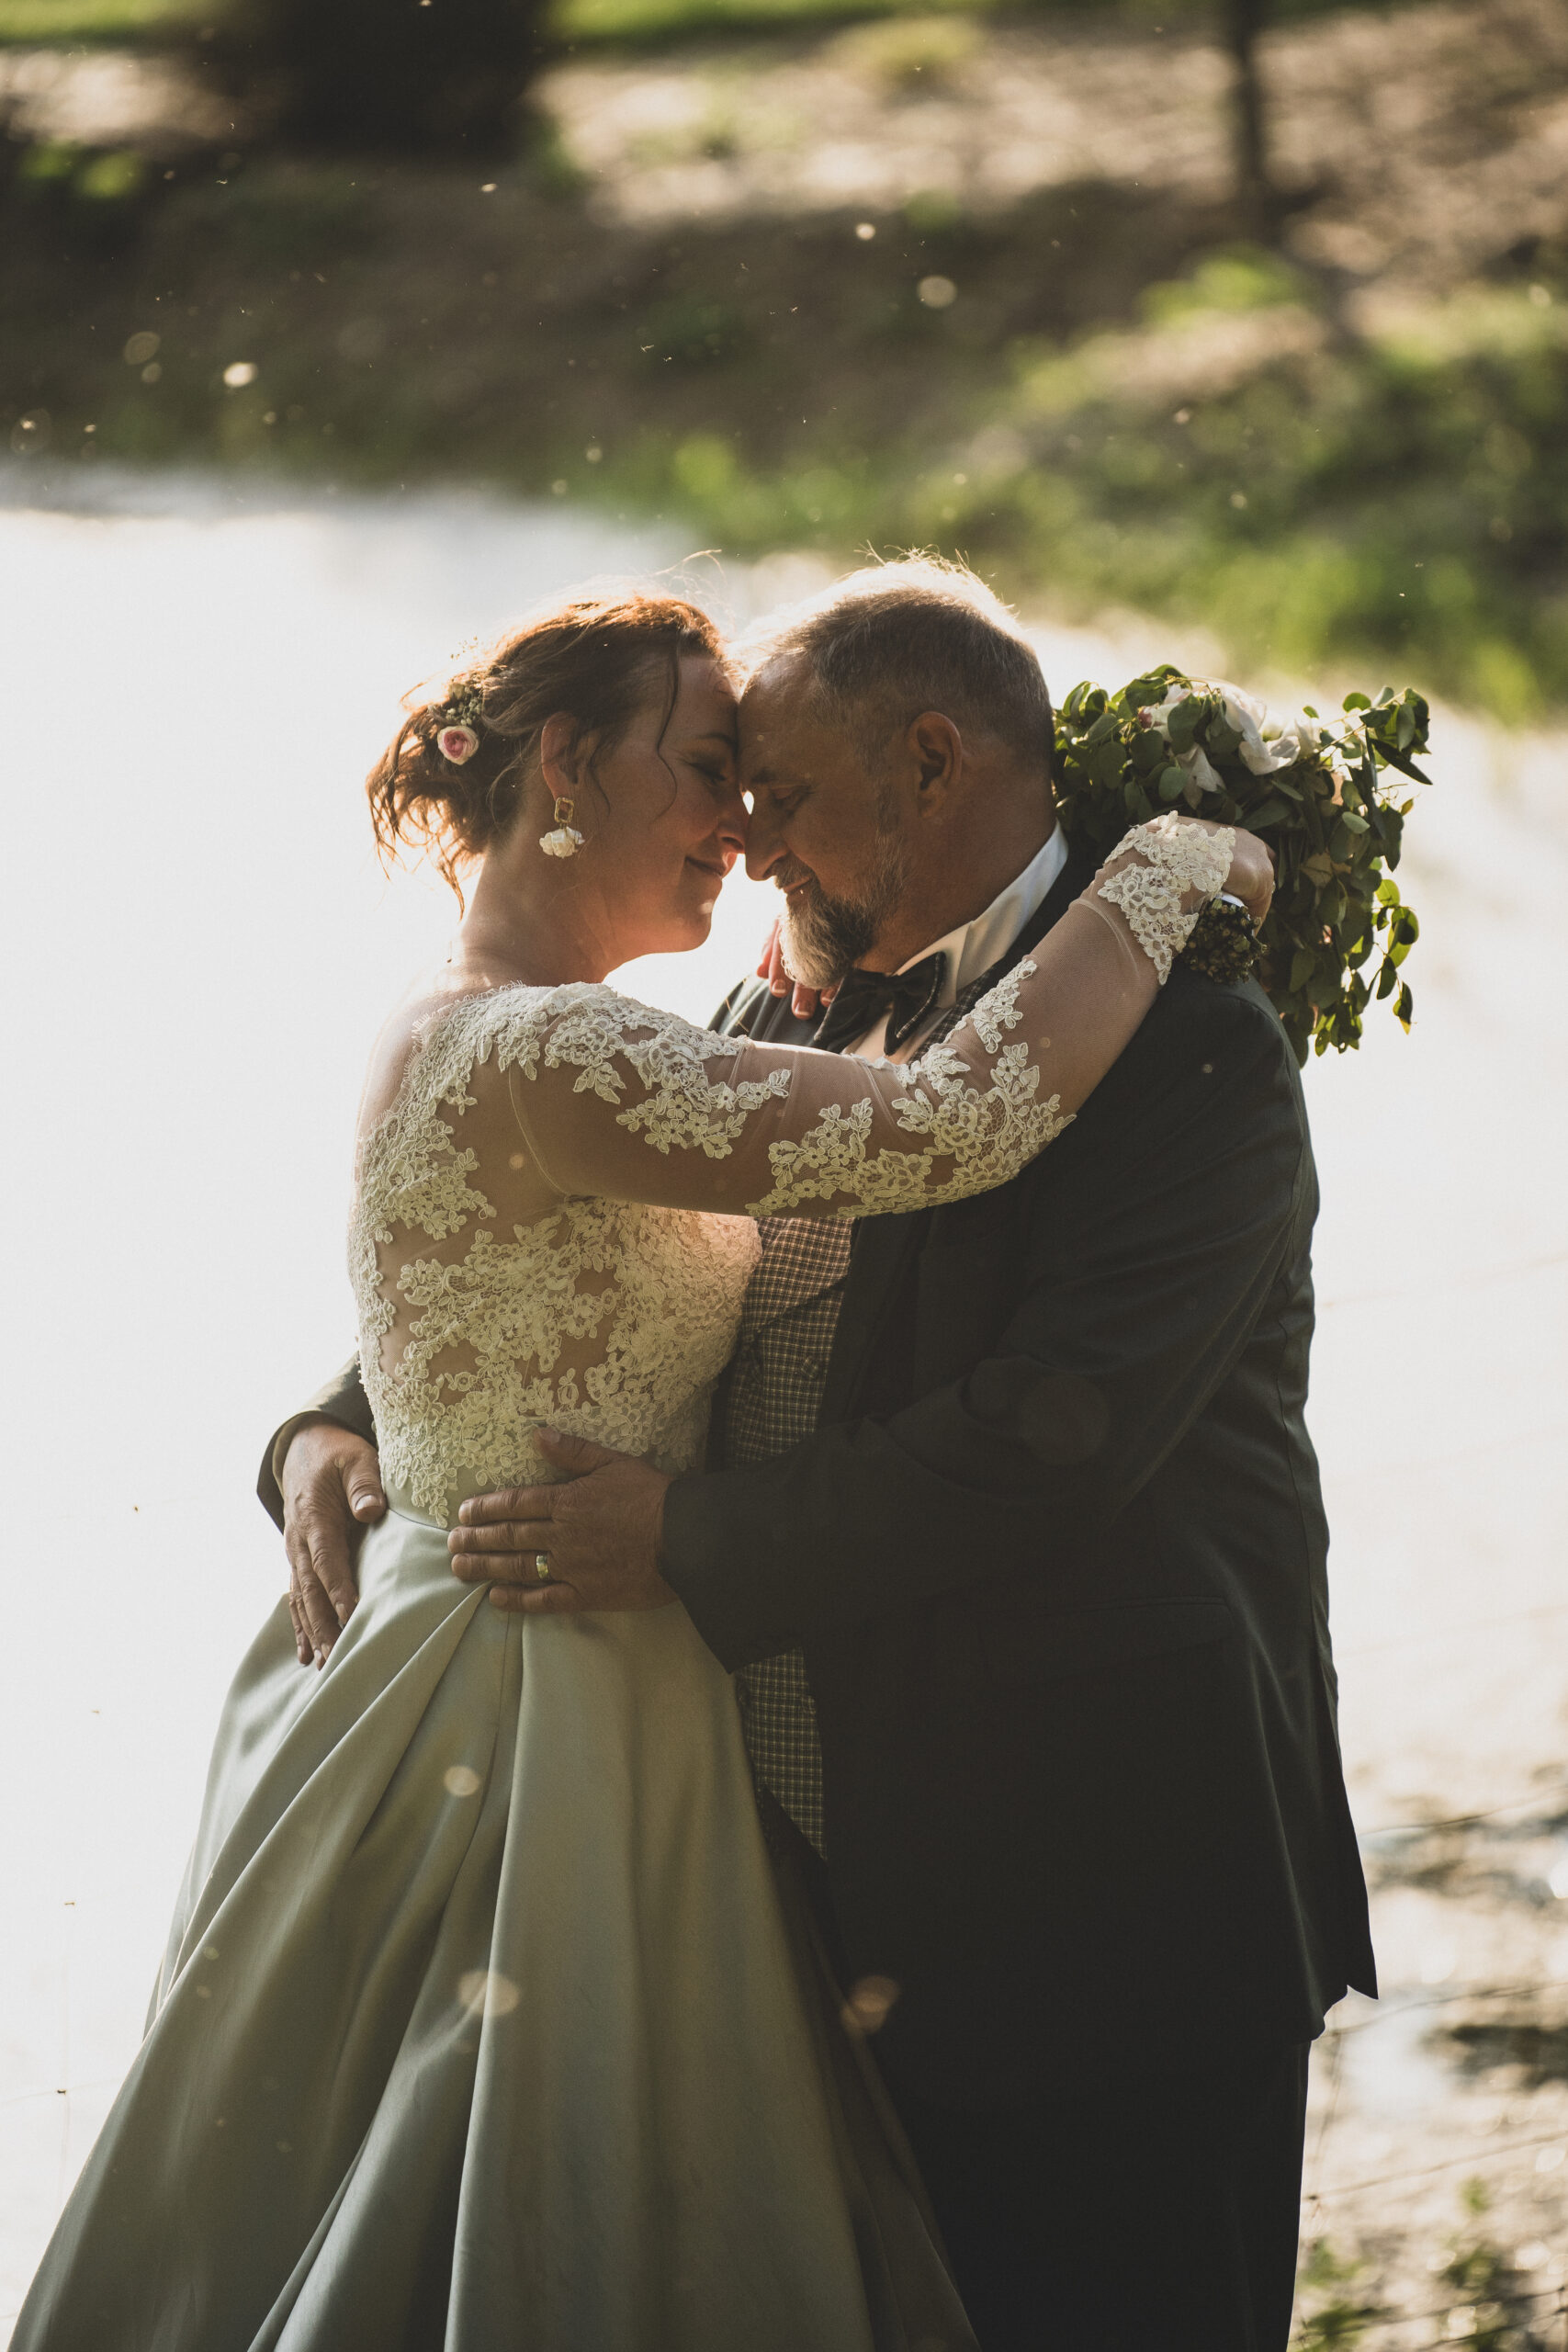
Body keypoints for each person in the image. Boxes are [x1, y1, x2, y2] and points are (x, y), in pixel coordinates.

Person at [14, 582, 1269, 2352]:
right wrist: (1174, 866)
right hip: (547, 1698)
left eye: (766, 784)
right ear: (559, 769)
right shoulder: (578, 1039)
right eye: (707, 770)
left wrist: (359, 1427)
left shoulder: (1144, 1050)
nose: (744, 836)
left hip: (1009, 1851)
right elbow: (945, 1124)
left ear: (931, 763)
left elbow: (520, 1266)